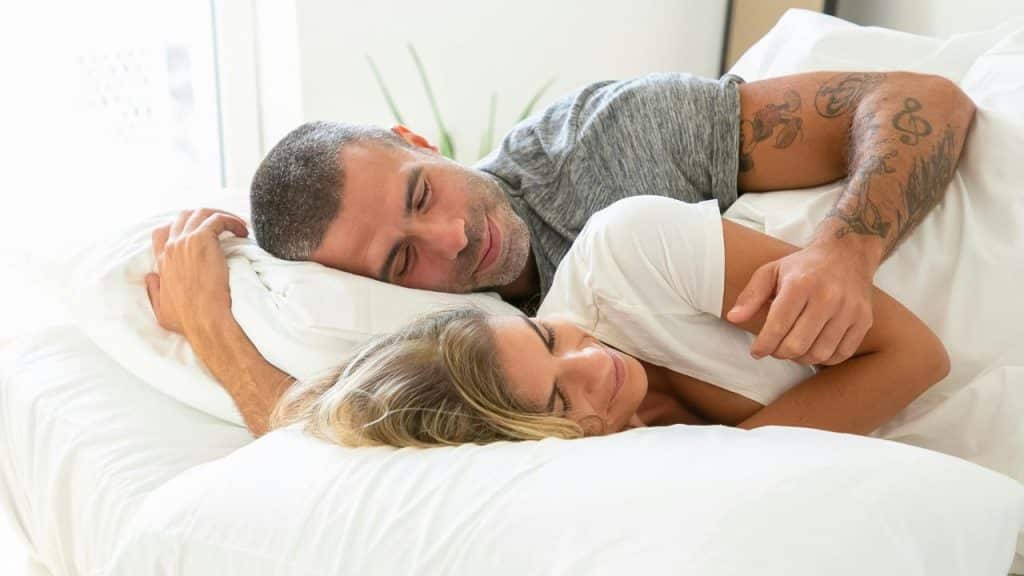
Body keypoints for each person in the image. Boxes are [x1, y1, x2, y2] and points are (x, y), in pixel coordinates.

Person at [146, 70, 975, 436]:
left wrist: (845, 252)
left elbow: (919, 98)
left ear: (416, 140)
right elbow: (322, 447)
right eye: (402, 262)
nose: (452, 238)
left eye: (420, 192)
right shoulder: (451, 351)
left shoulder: (603, 150)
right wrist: (212, 327)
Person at [268, 196, 951, 447]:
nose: (596, 361)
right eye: (560, 399)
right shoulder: (591, 471)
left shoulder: (626, 252)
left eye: (546, 336)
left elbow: (916, 354)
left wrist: (733, 457)